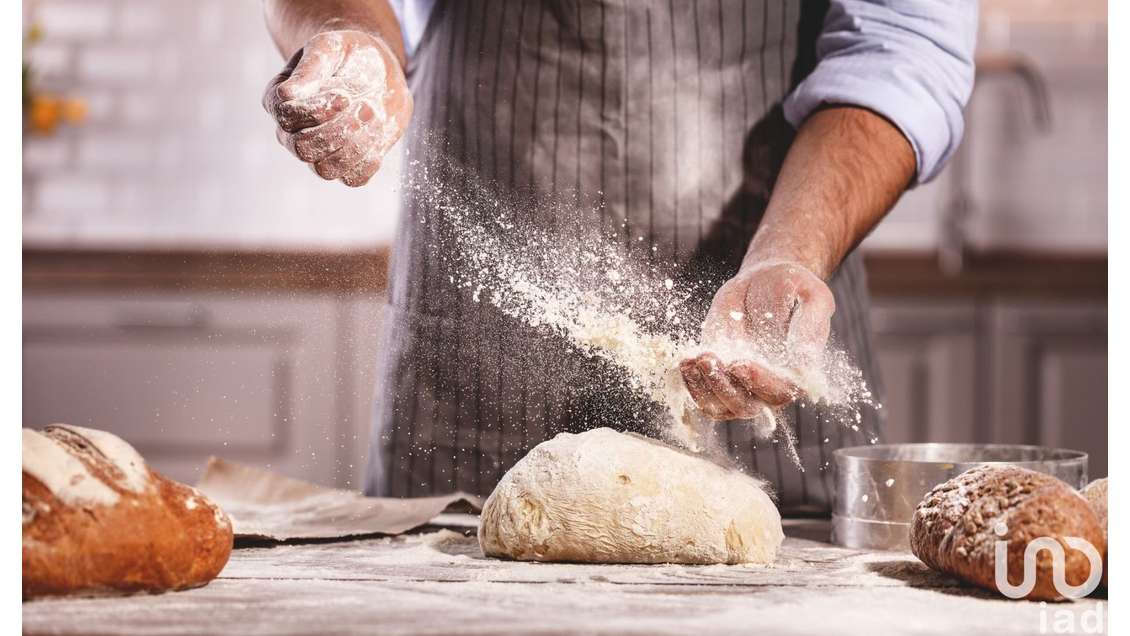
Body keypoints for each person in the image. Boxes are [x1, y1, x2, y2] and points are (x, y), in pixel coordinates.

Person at [262, 0, 976, 514]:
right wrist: (350, 37)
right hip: (478, 345)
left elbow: (903, 45)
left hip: (762, 311)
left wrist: (789, 248)